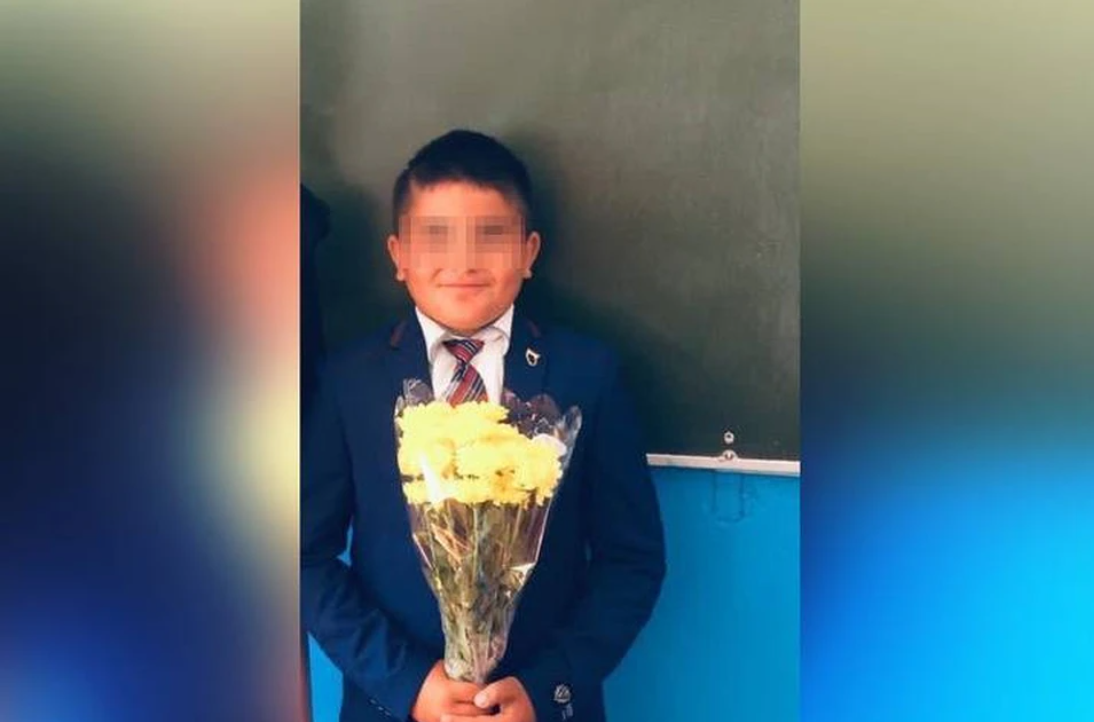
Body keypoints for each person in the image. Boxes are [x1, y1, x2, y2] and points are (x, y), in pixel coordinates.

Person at [302, 129, 665, 722]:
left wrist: (548, 686)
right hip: (394, 704)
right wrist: (408, 685)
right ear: (398, 255)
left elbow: (632, 560)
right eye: (435, 235)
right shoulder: (349, 381)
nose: (464, 260)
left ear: (529, 251)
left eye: (491, 235)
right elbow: (304, 557)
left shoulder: (587, 374)